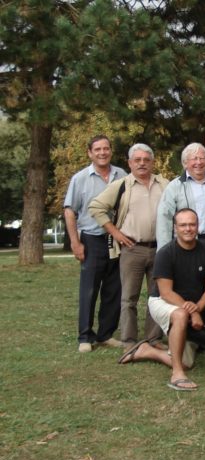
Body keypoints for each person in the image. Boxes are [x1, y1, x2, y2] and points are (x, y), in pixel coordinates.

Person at [119, 209, 205, 392]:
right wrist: (194, 312)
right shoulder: (166, 253)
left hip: (191, 305)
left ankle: (146, 351)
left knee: (187, 361)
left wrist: (198, 307)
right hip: (162, 302)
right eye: (183, 225)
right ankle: (177, 374)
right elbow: (166, 293)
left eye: (192, 224)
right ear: (175, 228)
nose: (188, 229)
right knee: (180, 315)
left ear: (197, 226)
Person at [88, 143, 168, 349]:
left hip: (159, 248)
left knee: (157, 296)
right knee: (129, 298)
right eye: (137, 160)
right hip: (132, 249)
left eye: (146, 160)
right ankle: (129, 340)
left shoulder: (164, 184)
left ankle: (153, 338)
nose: (142, 164)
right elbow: (95, 207)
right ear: (130, 163)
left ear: (152, 162)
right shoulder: (122, 185)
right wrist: (115, 232)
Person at [65, 134, 127, 353]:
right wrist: (75, 242)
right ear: (90, 153)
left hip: (117, 239)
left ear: (111, 151)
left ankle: (105, 334)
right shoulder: (80, 179)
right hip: (92, 239)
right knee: (89, 289)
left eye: (106, 148)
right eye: (98, 149)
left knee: (114, 289)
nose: (102, 153)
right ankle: (85, 336)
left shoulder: (122, 174)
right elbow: (70, 211)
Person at [156, 143, 205, 251]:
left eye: (202, 158)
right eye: (194, 159)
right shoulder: (174, 187)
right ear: (185, 163)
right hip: (186, 244)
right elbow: (164, 218)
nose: (198, 162)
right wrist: (163, 251)